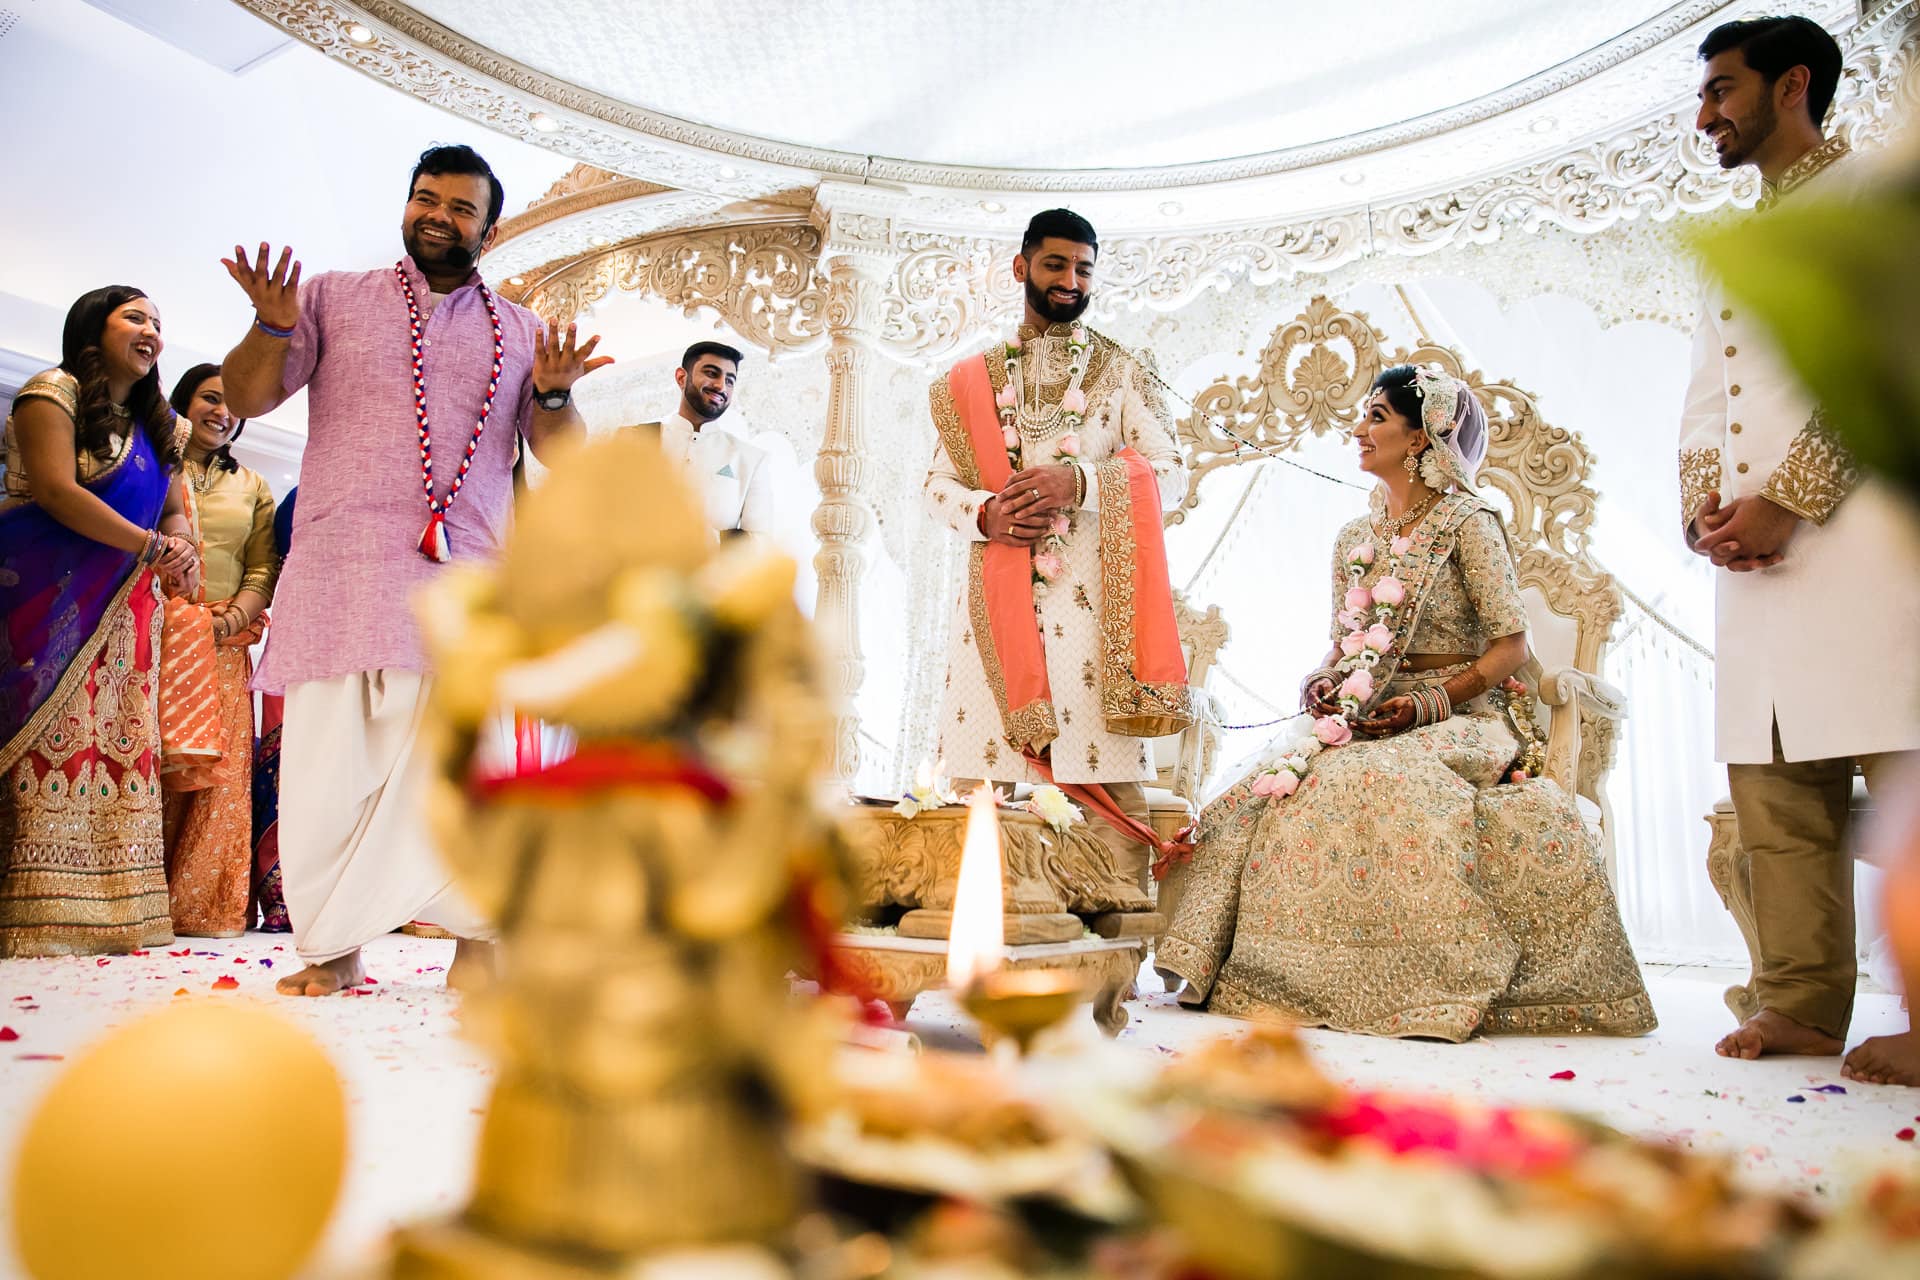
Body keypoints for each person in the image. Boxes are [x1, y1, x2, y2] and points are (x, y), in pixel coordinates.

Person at [217, 144, 612, 996]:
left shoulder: (521, 329)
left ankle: (479, 946)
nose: (438, 215)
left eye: (460, 207)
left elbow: (561, 455)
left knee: (468, 769)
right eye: (425, 198)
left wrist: (552, 395)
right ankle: (332, 946)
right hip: (342, 571)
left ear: (490, 228)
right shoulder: (329, 297)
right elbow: (247, 397)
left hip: (464, 580)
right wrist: (272, 324)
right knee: (331, 768)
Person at [1158, 364, 1655, 1040]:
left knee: (1376, 779)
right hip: (1368, 716)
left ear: (1421, 438)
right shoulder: (1353, 540)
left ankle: (1417, 988)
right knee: (1252, 795)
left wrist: (1429, 706)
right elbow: (1343, 643)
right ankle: (1265, 978)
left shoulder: (1468, 523)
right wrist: (1323, 678)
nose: (1359, 430)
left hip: (1467, 716)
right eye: (1364, 416)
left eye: (1377, 418)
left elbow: (1511, 646)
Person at [1679, 16, 1920, 1082]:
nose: (1705, 116)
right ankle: (1801, 1004)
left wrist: (1790, 499)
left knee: (1906, 777)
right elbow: (1705, 397)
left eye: (1721, 90)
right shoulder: (1744, 228)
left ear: (1793, 86)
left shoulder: (1874, 195)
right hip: (1758, 569)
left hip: (1868, 550)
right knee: (1776, 789)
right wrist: (1705, 510)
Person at [924, 208, 1192, 891]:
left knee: (1103, 791)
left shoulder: (1125, 371)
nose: (1071, 281)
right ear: (1021, 268)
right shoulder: (970, 383)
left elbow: (1174, 473)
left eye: (1083, 269)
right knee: (979, 795)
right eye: (1056, 265)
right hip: (994, 612)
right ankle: (975, 950)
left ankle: (1111, 965)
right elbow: (936, 485)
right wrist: (986, 515)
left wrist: (1081, 480)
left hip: (1093, 621)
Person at [0, 286, 198, 957]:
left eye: (158, 323)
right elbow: (55, 490)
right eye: (136, 317)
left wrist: (179, 546)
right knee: (45, 737)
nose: (152, 332)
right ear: (93, 327)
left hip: (124, 612)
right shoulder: (50, 391)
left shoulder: (160, 425)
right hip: (43, 595)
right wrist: (148, 545)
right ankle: (37, 911)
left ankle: (118, 911)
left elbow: (173, 511)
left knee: (114, 745)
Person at [160, 364, 280, 937]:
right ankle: (139, 895)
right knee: (155, 762)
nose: (222, 410)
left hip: (224, 645)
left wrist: (230, 618)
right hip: (152, 638)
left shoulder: (253, 485)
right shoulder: (154, 467)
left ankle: (201, 906)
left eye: (233, 403)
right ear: (184, 401)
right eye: (210, 397)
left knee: (221, 777)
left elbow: (264, 566)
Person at [634, 341, 777, 538]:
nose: (721, 386)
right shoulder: (634, 439)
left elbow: (760, 541)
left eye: (730, 380)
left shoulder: (751, 459)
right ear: (681, 378)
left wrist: (705, 540)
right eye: (711, 373)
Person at [251, 485, 296, 933]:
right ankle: (282, 898)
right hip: (297, 639)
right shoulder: (296, 501)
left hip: (363, 643)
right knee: (283, 771)